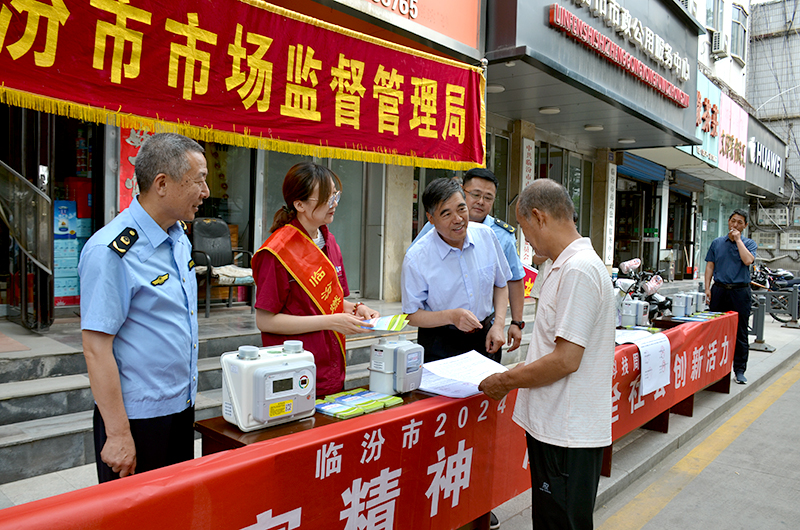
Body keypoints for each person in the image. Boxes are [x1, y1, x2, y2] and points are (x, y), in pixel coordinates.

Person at [479, 179, 616, 530]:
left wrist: (505, 380)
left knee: (562, 522)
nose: (526, 240)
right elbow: (551, 347)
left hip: (567, 433)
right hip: (555, 425)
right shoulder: (560, 265)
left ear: (539, 217)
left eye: (524, 228)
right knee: (551, 519)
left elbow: (567, 359)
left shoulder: (578, 270)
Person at [80, 133, 210, 482]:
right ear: (162, 184)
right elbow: (96, 347)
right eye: (199, 180)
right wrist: (119, 434)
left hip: (179, 409)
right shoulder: (111, 251)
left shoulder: (178, 238)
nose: (206, 192)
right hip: (136, 419)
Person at [252, 163, 378, 397]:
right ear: (299, 205)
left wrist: (358, 308)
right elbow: (265, 321)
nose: (335, 204)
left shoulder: (329, 242)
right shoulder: (277, 252)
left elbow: (329, 303)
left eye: (335, 195)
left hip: (332, 366)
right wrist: (329, 321)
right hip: (293, 372)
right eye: (326, 198)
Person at [411, 168, 527, 351]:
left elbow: (509, 280)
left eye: (488, 197)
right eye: (475, 194)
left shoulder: (495, 235)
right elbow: (412, 300)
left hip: (485, 332)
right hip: (440, 337)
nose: (481, 202)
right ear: (463, 192)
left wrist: (512, 322)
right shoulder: (430, 233)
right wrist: (451, 316)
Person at [704, 209, 756, 384]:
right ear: (728, 221)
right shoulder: (717, 243)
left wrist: (739, 240)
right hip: (719, 290)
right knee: (714, 329)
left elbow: (748, 260)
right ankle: (713, 368)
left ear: (745, 226)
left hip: (740, 292)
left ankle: (739, 370)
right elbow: (710, 266)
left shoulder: (749, 243)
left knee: (740, 331)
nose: (735, 225)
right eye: (733, 221)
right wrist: (707, 288)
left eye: (739, 222)